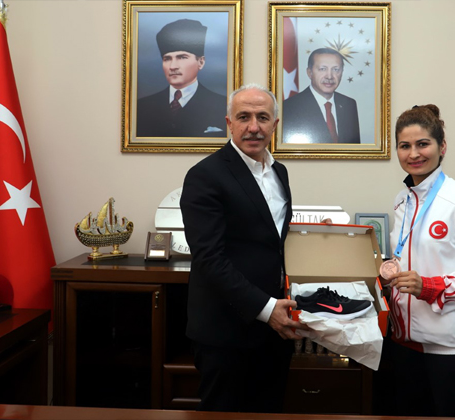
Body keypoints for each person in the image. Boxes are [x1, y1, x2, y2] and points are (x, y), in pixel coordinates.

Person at [180, 83, 309, 413]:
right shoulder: (205, 175)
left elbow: (272, 242)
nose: (254, 126)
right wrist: (266, 309)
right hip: (226, 332)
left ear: (275, 125)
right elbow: (210, 258)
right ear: (229, 123)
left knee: (269, 412)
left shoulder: (279, 172)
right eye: (244, 117)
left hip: (275, 330)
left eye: (263, 117)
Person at [380, 105, 455, 417]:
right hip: (404, 346)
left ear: (441, 146)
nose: (413, 154)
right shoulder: (401, 200)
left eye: (423, 144)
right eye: (405, 145)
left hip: (453, 351)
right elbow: (410, 257)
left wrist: (429, 286)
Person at [136, 19, 227, 138]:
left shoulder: (222, 105)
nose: (173, 66)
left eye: (182, 57)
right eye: (167, 59)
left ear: (201, 62)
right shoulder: (142, 107)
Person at [282, 48, 360, 144]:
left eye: (336, 69)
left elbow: (354, 149)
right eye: (322, 69)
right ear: (309, 73)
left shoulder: (349, 104)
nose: (329, 76)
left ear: (342, 72)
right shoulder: (290, 107)